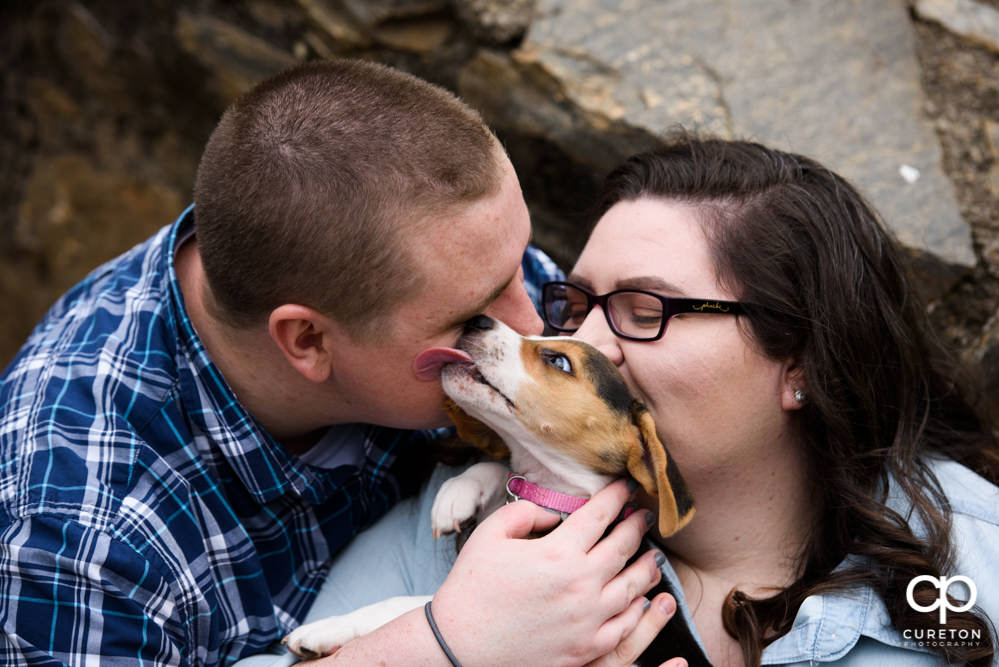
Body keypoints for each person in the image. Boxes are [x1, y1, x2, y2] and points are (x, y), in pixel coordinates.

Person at [0, 59, 675, 666]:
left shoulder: (430, 250)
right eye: (473, 317)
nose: (535, 319)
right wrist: (439, 648)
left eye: (522, 262)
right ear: (308, 341)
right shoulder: (75, 543)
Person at [308, 133, 999, 666]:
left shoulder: (972, 554)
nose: (588, 342)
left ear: (802, 363)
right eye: (575, 305)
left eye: (645, 309)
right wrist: (441, 645)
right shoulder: (462, 527)